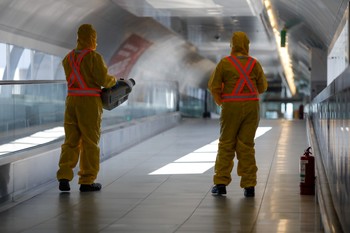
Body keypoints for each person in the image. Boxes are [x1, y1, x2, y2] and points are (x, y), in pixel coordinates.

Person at [56, 24, 117, 192]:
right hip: (89, 102)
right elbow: (104, 79)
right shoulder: (93, 57)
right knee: (90, 141)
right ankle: (87, 180)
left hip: (71, 101)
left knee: (70, 141)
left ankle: (64, 176)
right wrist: (114, 81)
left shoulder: (68, 58)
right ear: (92, 38)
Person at [208, 31, 268, 197]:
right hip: (252, 108)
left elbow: (214, 87)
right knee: (246, 146)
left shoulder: (224, 63)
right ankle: (249, 186)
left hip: (231, 108)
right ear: (247, 45)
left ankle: (220, 183)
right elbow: (262, 87)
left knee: (226, 144)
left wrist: (222, 102)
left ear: (232, 46)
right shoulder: (254, 64)